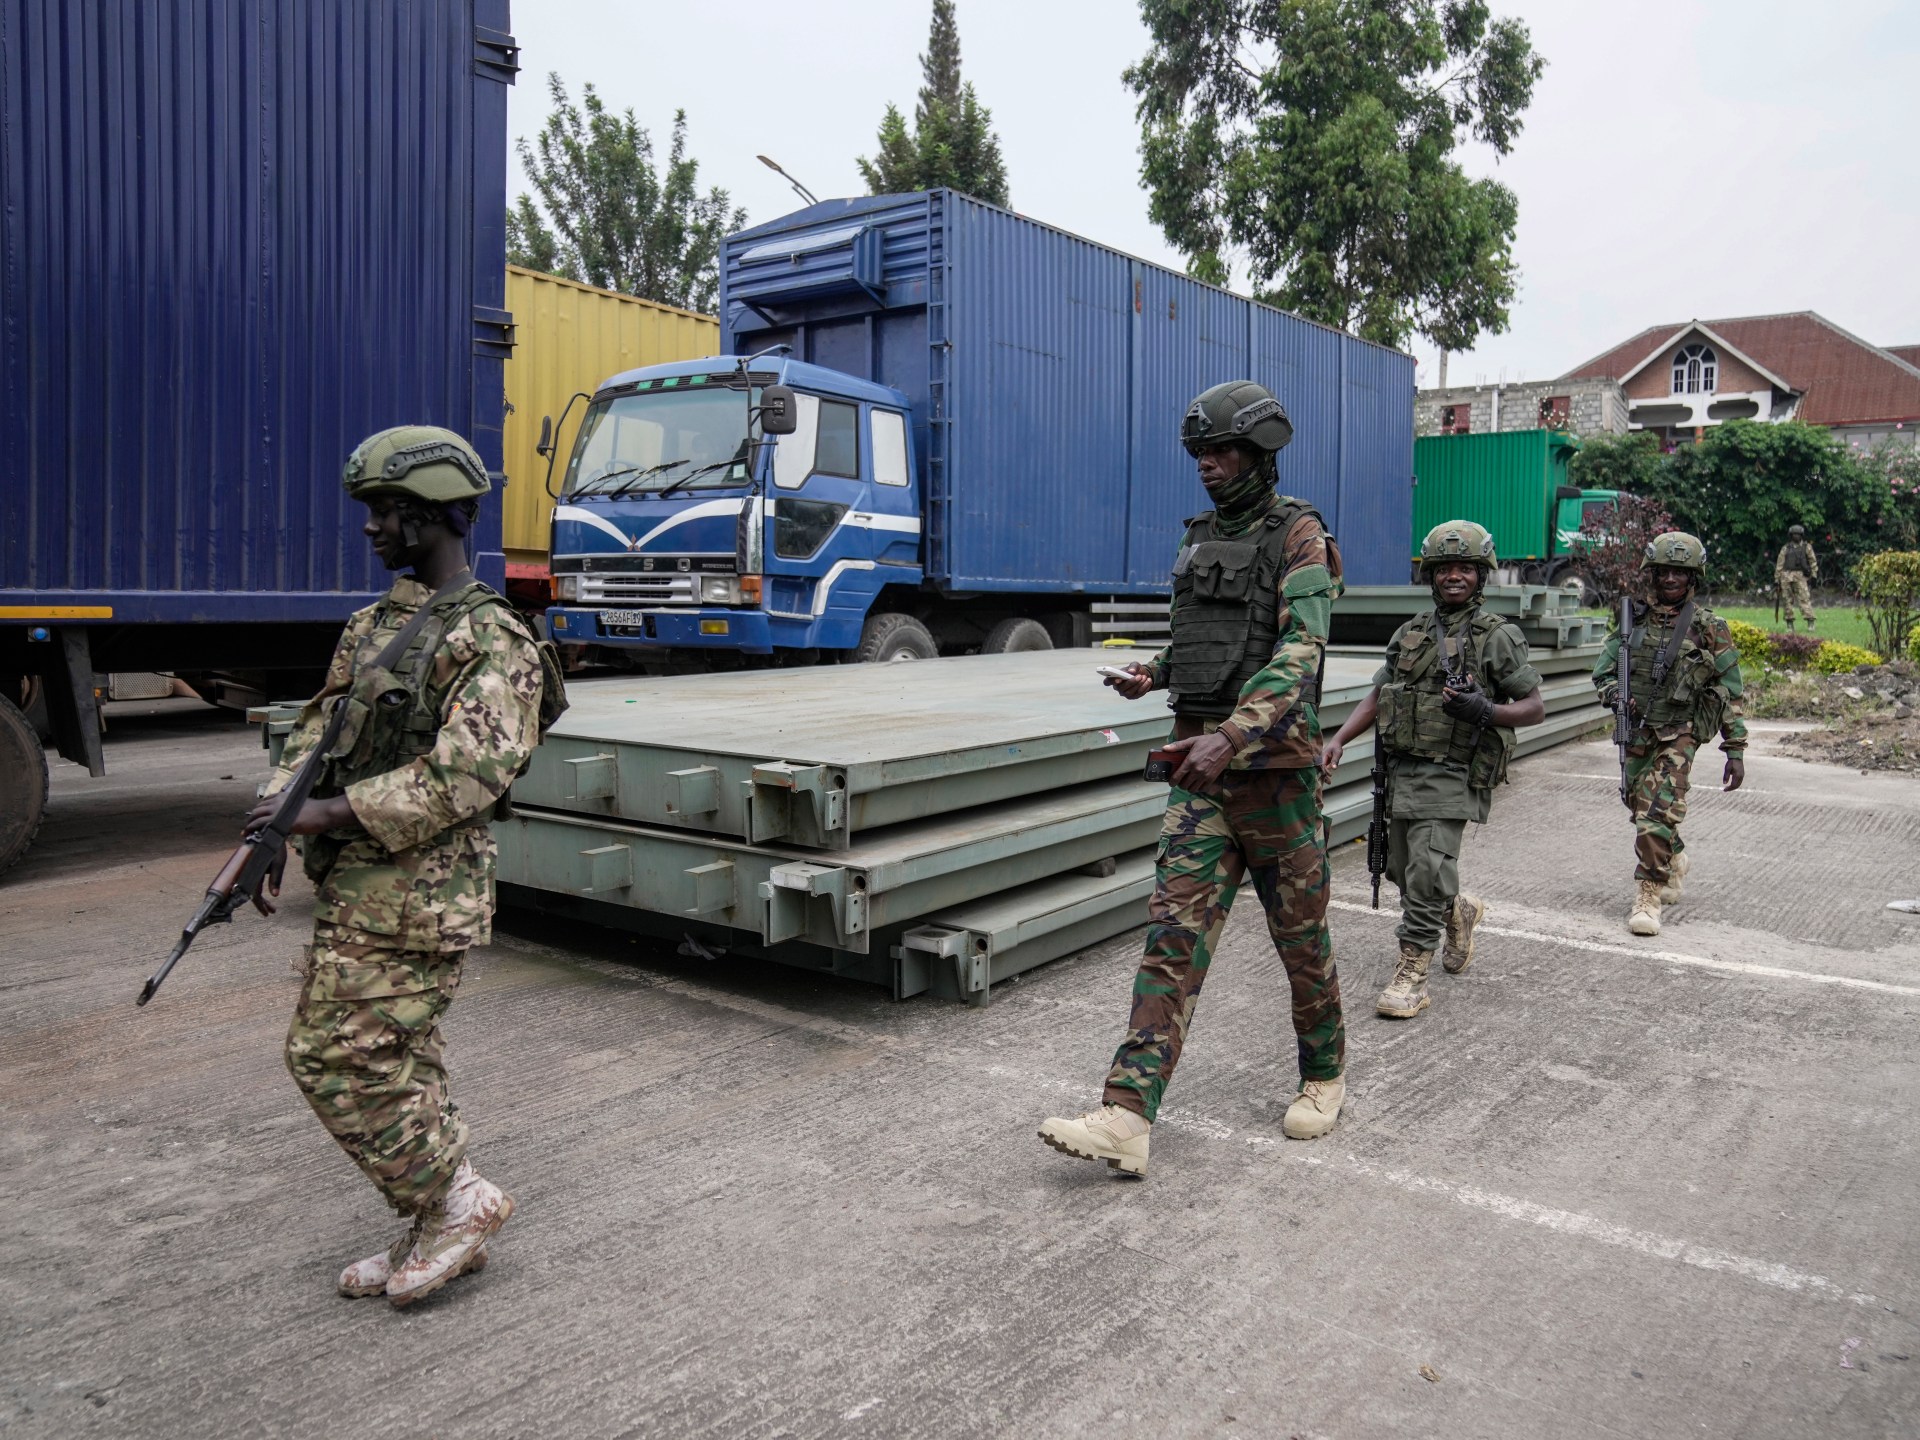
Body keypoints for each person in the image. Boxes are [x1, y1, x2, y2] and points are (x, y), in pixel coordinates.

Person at [244, 426, 558, 1306]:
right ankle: (436, 1219)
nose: (373, 528)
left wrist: (330, 813)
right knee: (397, 1057)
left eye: (389, 511)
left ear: (437, 516)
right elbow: (317, 731)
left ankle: (459, 1202)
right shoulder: (376, 623)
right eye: (373, 511)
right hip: (359, 880)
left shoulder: (495, 638)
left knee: (333, 1057)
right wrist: (271, 827)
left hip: (425, 894)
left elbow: (472, 769)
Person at [1037, 380, 1346, 1177]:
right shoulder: (1200, 536)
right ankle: (1126, 1114)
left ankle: (1323, 1074)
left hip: (1274, 776)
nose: (1207, 465)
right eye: (1199, 453)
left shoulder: (1301, 537)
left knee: (1301, 943)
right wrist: (1155, 673)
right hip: (1198, 774)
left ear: (1261, 450)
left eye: (1222, 450)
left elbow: (1300, 651)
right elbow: (1213, 639)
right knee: (1171, 940)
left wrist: (1235, 734)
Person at [1318, 521, 1545, 1020]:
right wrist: (1337, 740)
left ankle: (1412, 971)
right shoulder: (1411, 632)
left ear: (1481, 575)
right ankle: (1456, 911)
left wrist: (1484, 710)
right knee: (1401, 867)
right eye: (1444, 569)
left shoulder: (1498, 636)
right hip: (1403, 770)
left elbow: (1533, 707)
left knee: (1425, 868)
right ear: (1431, 575)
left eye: (1465, 568)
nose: (1454, 577)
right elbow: (1380, 693)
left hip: (1454, 769)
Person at [1592, 532, 1746, 937]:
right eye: (1665, 571)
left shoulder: (1709, 627)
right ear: (1653, 573)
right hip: (1638, 729)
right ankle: (1673, 856)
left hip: (1680, 733)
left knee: (1656, 812)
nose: (1672, 579)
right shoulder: (1633, 622)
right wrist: (1615, 695)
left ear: (1693, 576)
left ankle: (1648, 894)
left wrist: (1735, 748)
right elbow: (1603, 672)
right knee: (1636, 804)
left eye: (1681, 572)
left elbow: (1730, 688)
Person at [1774, 524, 1819, 632]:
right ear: (1790, 535)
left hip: (1801, 576)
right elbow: (1780, 564)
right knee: (1787, 601)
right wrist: (1777, 579)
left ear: (1801, 535)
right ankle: (1790, 624)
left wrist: (1814, 575)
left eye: (1798, 534)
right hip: (1786, 576)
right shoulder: (1786, 548)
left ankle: (1810, 622)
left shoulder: (1806, 547)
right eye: (1794, 534)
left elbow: (1813, 562)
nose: (1796, 536)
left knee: (1804, 598)